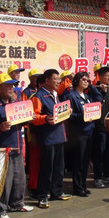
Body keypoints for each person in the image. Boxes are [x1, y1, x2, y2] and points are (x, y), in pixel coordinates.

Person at [0, 72, 34, 218]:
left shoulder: (14, 102)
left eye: (13, 85)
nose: (12, 88)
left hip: (17, 146)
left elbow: (19, 122)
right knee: (5, 181)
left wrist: (28, 120)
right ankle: (0, 210)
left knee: (19, 178)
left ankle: (16, 204)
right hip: (2, 149)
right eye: (8, 85)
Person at [31, 69, 72, 208]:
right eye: (55, 79)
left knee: (59, 167)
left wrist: (67, 112)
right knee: (46, 168)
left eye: (59, 79)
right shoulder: (38, 96)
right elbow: (33, 117)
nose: (58, 81)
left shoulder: (55, 94)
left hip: (60, 136)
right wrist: (45, 119)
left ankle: (57, 191)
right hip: (48, 138)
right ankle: (42, 196)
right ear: (47, 80)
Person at [67, 72, 101, 196]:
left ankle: (83, 184)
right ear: (77, 80)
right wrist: (84, 116)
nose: (86, 82)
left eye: (88, 80)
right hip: (78, 133)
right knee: (78, 161)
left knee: (86, 160)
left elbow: (99, 100)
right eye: (83, 79)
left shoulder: (87, 97)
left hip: (89, 132)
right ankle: (77, 187)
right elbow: (69, 115)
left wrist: (92, 87)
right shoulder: (71, 96)